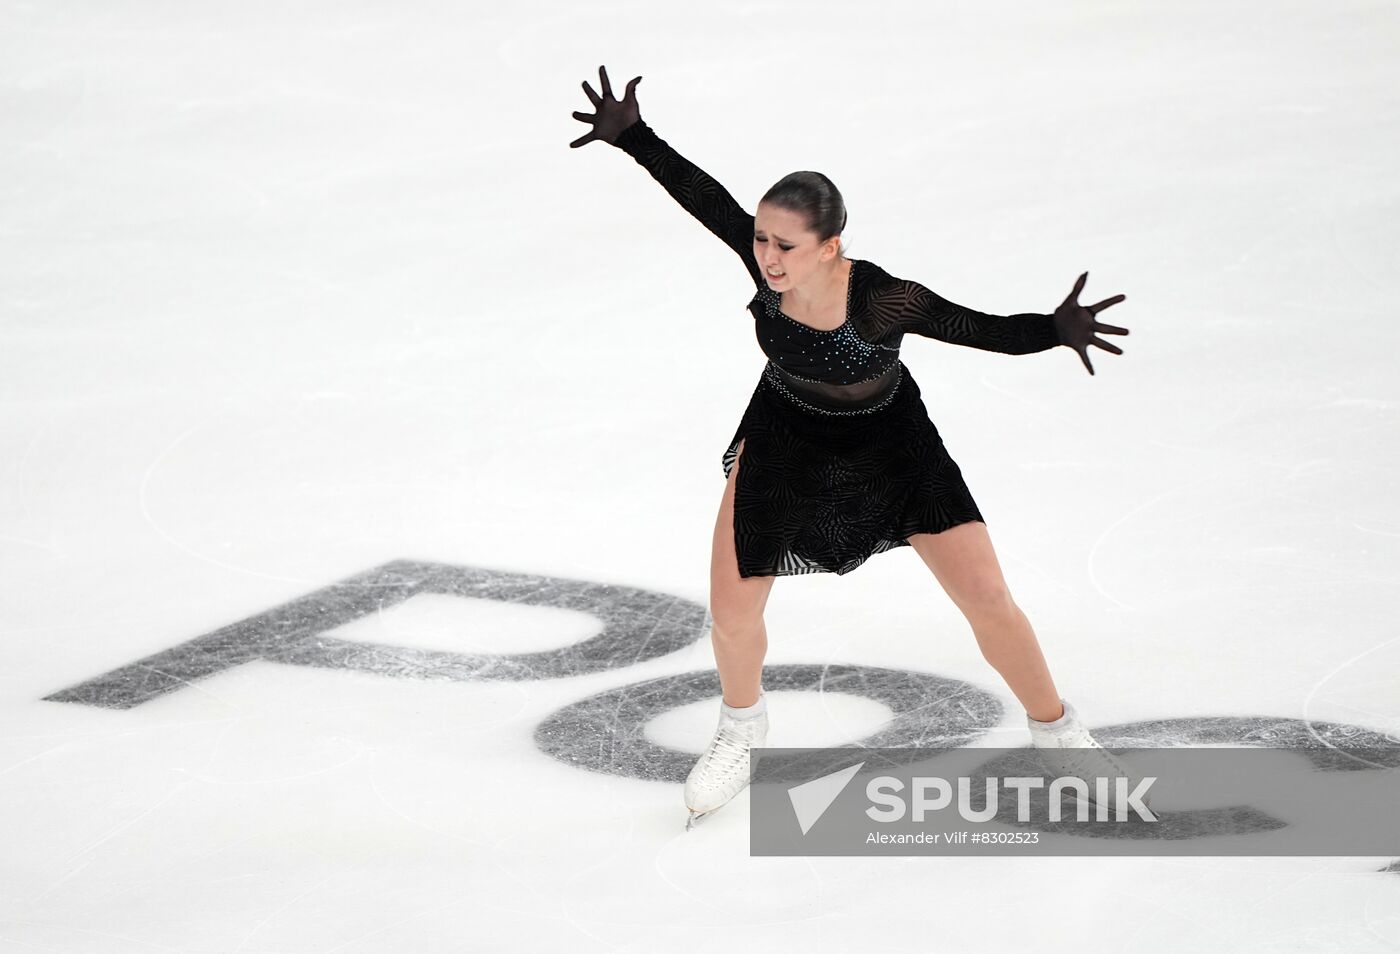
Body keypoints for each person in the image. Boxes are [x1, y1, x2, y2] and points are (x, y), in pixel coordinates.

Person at [570, 65, 1149, 829]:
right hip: (785, 433)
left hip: (890, 443)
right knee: (732, 611)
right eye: (760, 239)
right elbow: (705, 197)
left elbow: (981, 330)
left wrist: (1053, 329)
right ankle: (743, 730)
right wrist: (633, 137)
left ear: (830, 245)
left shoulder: (882, 299)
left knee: (985, 595)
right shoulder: (764, 265)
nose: (766, 256)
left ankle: (1058, 731)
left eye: (784, 244)